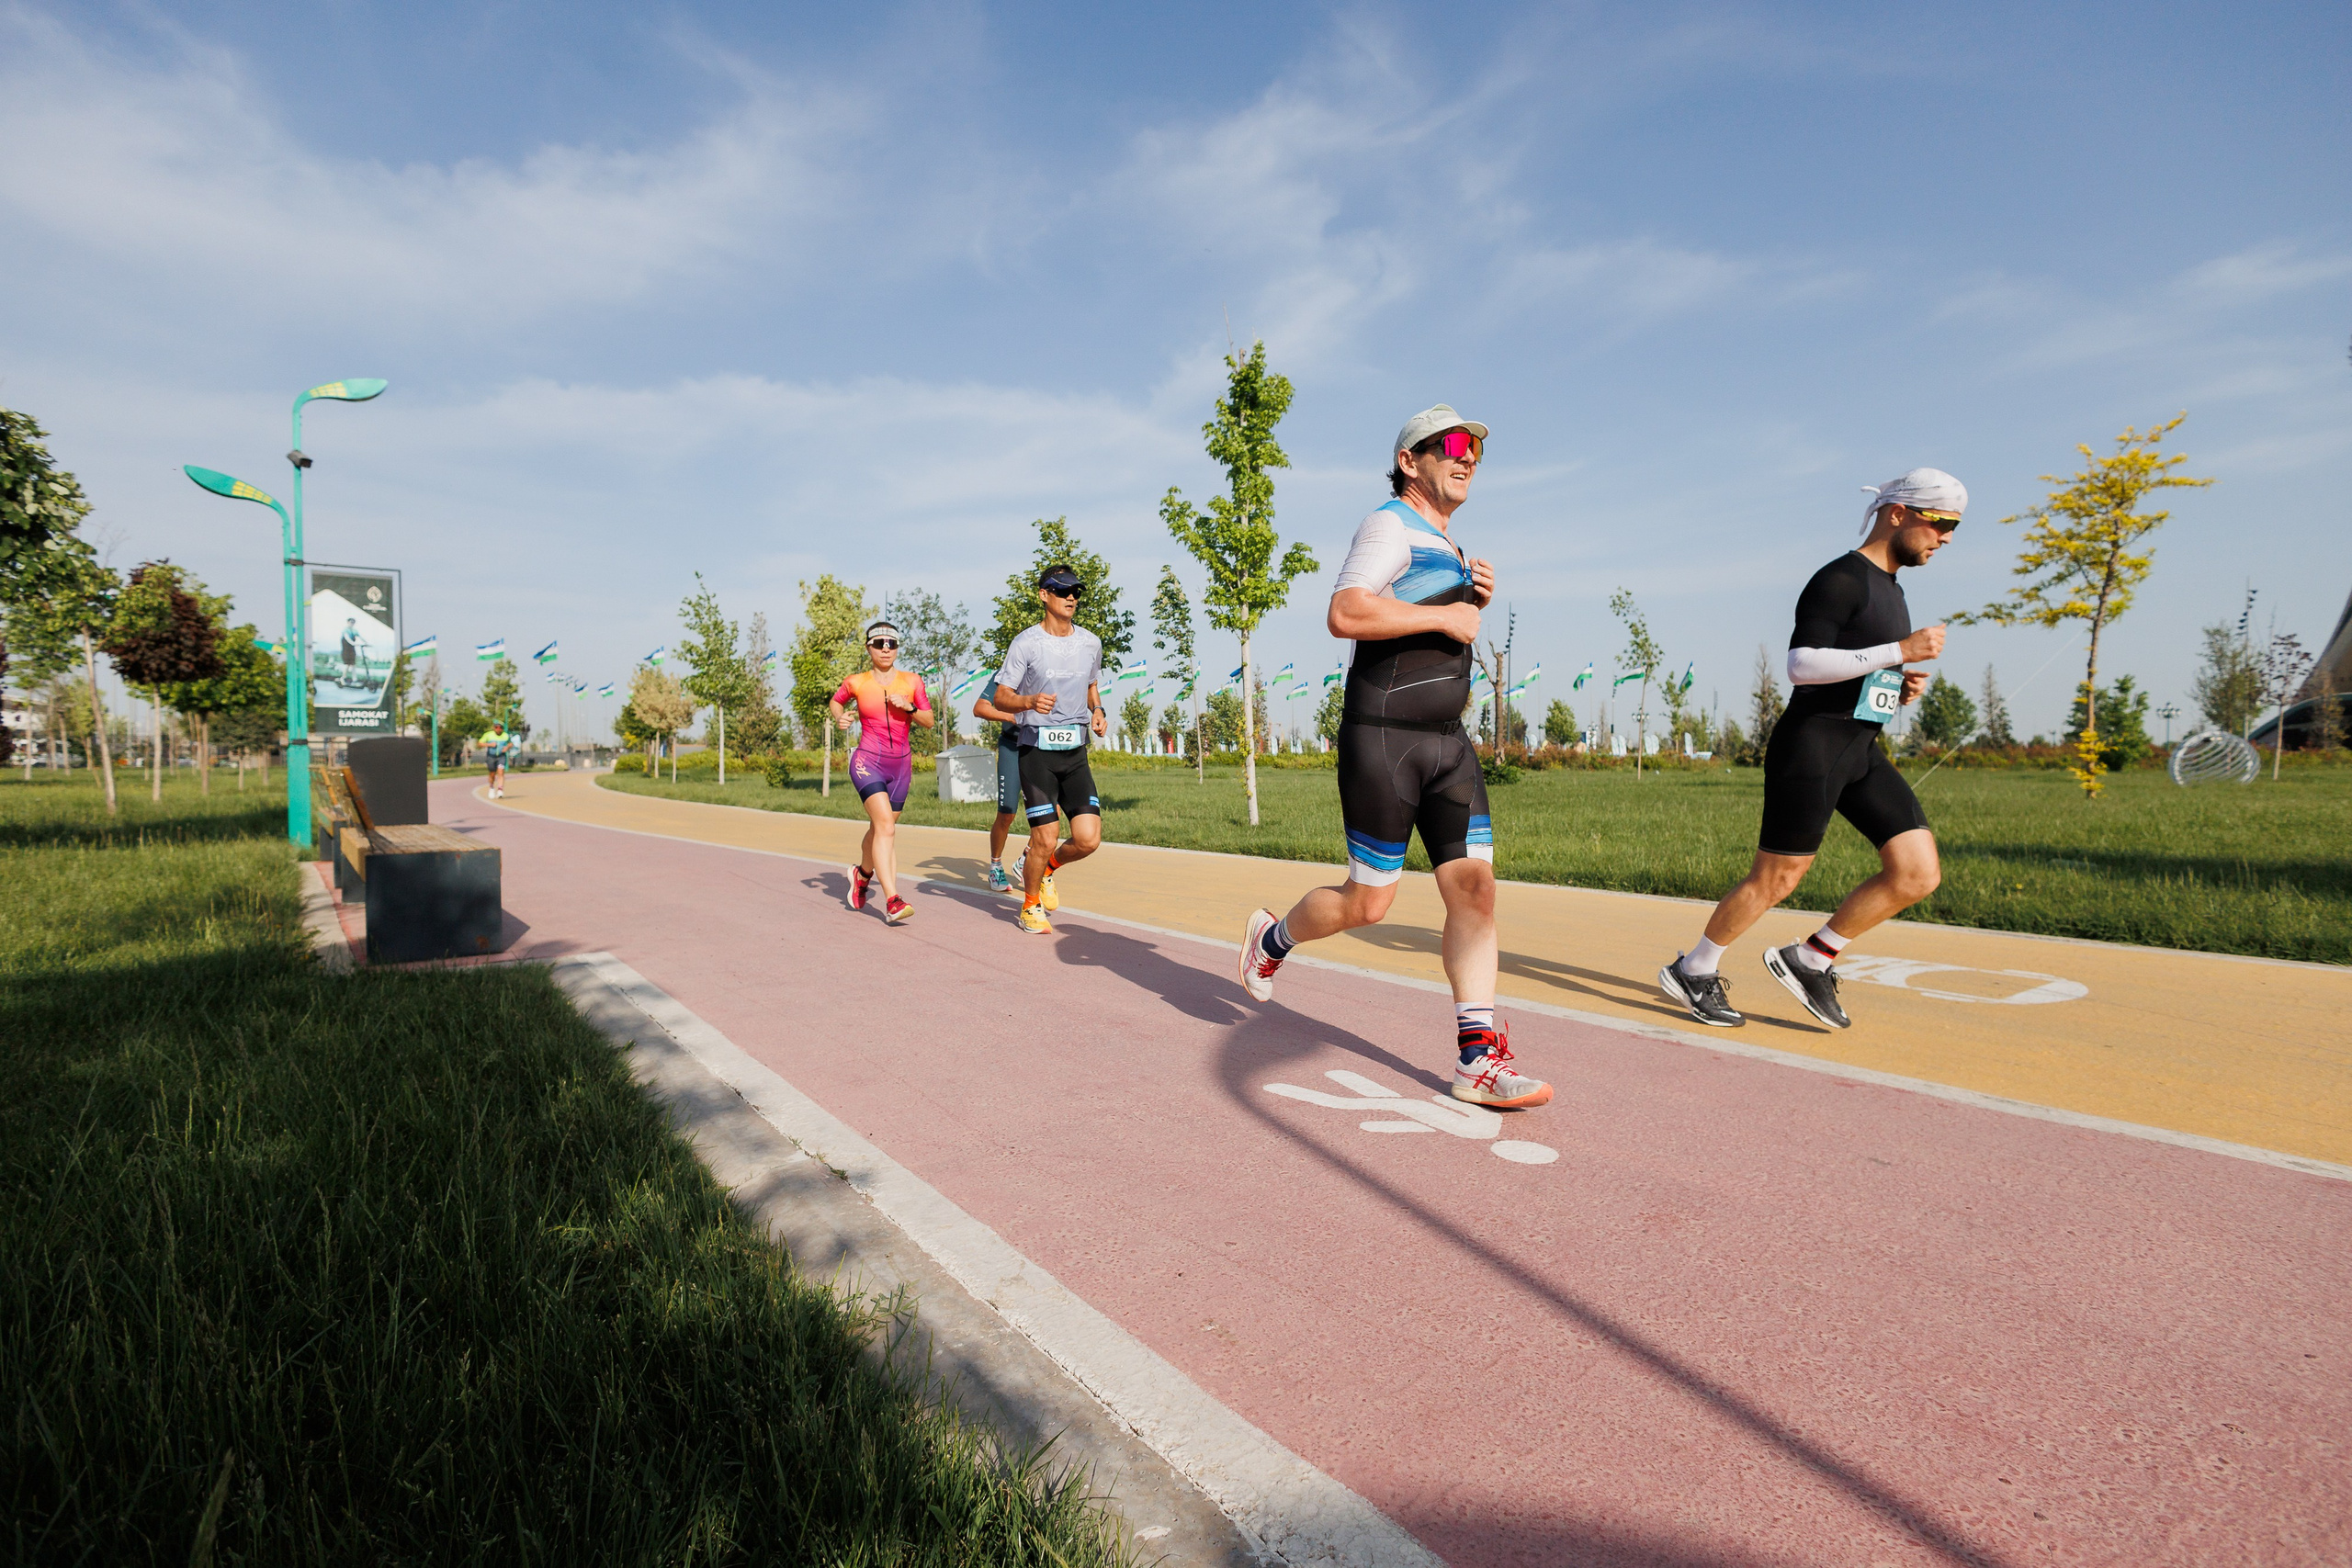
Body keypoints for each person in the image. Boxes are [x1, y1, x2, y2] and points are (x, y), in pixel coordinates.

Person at [1235, 406, 1551, 1111]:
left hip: (1448, 744)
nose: (1468, 456)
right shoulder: (1388, 523)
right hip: (1385, 737)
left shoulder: (1447, 542)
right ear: (1411, 460)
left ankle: (1477, 1060)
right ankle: (1274, 937)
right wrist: (1446, 613)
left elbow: (1426, 620)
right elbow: (1346, 611)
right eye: (1454, 445)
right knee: (1369, 902)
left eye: (1476, 449)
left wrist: (1466, 591)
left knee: (1474, 890)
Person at [1657, 468, 1963, 1030]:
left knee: (1916, 874)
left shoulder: (1893, 591)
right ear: (1898, 513)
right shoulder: (1841, 578)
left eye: (1954, 528)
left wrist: (1899, 681)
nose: (1945, 537)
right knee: (1777, 878)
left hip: (1862, 749)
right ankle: (1694, 969)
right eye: (1940, 522)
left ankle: (1811, 958)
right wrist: (1899, 648)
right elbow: (1802, 665)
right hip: (1813, 746)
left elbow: (1856, 670)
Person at [992, 565, 1107, 935]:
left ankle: (1048, 871)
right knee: (1045, 836)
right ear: (1044, 595)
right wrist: (1028, 701)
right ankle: (1029, 906)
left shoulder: (1090, 643)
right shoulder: (1026, 643)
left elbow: (1092, 686)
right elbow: (1000, 696)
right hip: (1036, 752)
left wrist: (1099, 710)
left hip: (1075, 753)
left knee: (1089, 839)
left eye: (1076, 591)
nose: (1071, 596)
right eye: (1062, 590)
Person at [832, 620, 934, 926]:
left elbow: (929, 721)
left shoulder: (913, 682)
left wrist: (910, 708)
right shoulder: (857, 682)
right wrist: (842, 717)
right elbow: (836, 702)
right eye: (879, 643)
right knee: (887, 828)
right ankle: (893, 900)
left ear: (898, 648)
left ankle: (862, 875)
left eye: (891, 643)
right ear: (869, 648)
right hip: (867, 762)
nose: (886, 649)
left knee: (881, 828)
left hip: (901, 767)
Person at [970, 684, 1026, 894]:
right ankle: (995, 866)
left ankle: (1025, 860)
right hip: (1012, 747)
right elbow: (979, 708)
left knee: (1052, 811)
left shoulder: (1047, 667)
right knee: (1007, 813)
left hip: (1039, 748)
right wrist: (1012, 717)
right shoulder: (1006, 674)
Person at [481, 720, 511, 798]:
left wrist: (507, 747)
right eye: (496, 727)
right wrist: (489, 744)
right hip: (491, 756)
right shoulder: (488, 735)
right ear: (494, 728)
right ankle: (491, 787)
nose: (498, 729)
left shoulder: (505, 735)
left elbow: (510, 743)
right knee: (492, 774)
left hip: (501, 756)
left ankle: (500, 790)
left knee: (500, 772)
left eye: (500, 728)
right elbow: (480, 743)